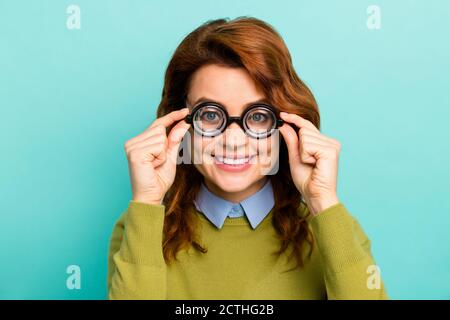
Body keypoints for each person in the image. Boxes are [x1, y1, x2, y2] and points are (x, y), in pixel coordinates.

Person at [107, 17, 388, 300]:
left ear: (286, 124)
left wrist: (322, 200)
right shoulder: (141, 225)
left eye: (257, 116)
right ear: (180, 121)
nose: (233, 140)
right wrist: (147, 201)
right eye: (210, 115)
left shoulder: (332, 228)